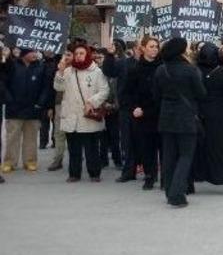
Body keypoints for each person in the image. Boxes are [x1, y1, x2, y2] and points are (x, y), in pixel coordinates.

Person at [153, 37, 206, 208]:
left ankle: (169, 190)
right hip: (186, 117)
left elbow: (155, 95)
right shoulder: (190, 70)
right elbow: (201, 93)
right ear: (182, 51)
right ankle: (176, 194)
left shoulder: (161, 69)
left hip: (166, 117)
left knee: (168, 156)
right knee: (185, 155)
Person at [53, 44, 110, 182]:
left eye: (81, 53)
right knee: (73, 148)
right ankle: (74, 174)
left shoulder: (96, 71)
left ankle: (94, 173)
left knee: (91, 148)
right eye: (76, 53)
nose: (78, 56)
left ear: (87, 54)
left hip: (88, 114)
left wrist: (92, 102)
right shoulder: (68, 71)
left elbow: (104, 90)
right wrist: (60, 71)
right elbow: (58, 87)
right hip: (72, 115)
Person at [193, 43, 223, 194]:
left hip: (199, 114)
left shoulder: (195, 71)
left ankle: (191, 181)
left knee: (197, 149)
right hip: (219, 115)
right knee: (220, 149)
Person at [1, 48, 52, 173]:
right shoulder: (12, 65)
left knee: (31, 137)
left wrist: (41, 102)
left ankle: (30, 161)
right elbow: (3, 82)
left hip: (33, 108)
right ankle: (9, 162)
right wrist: (9, 100)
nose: (35, 54)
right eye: (31, 52)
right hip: (14, 108)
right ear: (24, 54)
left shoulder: (41, 66)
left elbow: (46, 86)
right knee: (12, 137)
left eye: (35, 51)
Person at [122, 36, 162, 189]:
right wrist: (134, 108)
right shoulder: (135, 69)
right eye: (151, 46)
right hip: (142, 115)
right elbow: (127, 93)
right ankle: (150, 176)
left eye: (156, 47)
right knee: (147, 147)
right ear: (143, 48)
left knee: (164, 147)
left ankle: (166, 178)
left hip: (159, 112)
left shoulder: (162, 67)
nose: (154, 49)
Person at [102, 39, 138, 181]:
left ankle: (150, 173)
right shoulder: (124, 63)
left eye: (155, 47)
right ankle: (128, 171)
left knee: (146, 142)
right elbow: (109, 71)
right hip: (126, 108)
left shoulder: (155, 64)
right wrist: (109, 56)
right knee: (127, 141)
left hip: (146, 108)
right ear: (135, 48)